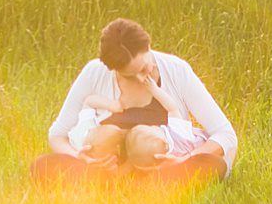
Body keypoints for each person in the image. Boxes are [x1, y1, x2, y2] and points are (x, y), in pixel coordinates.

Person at [34, 17, 235, 186]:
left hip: (160, 162)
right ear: (113, 69)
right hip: (107, 166)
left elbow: (225, 134)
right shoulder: (94, 72)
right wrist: (78, 156)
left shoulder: (176, 70)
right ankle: (116, 180)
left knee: (211, 164)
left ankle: (144, 181)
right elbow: (57, 135)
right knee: (41, 167)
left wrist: (184, 159)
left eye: (144, 68)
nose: (140, 79)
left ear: (148, 46)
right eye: (129, 76)